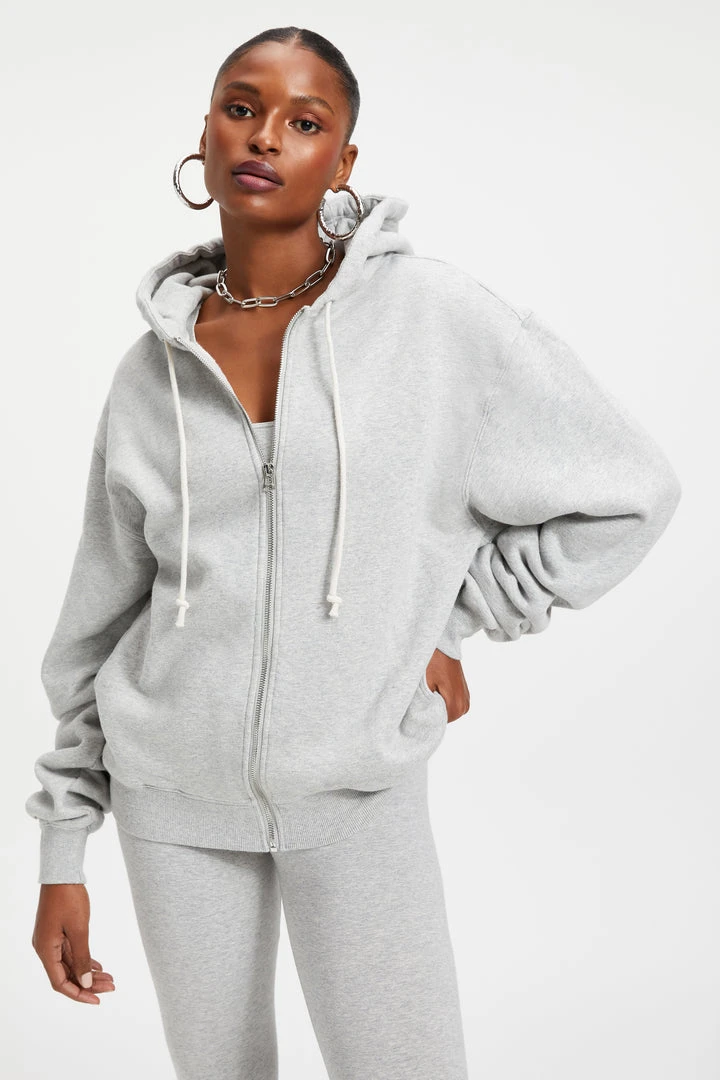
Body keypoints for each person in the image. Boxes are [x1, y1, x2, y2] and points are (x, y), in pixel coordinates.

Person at [26, 25, 682, 1080]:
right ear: (205, 131)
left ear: (343, 160)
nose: (265, 137)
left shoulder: (431, 320)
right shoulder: (150, 374)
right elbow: (99, 615)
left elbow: (628, 492)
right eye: (242, 108)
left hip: (358, 790)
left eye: (304, 121)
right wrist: (64, 845)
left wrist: (454, 620)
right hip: (168, 802)